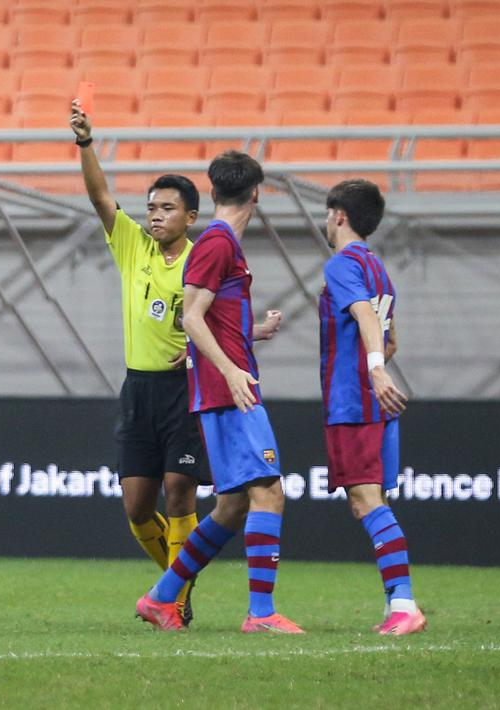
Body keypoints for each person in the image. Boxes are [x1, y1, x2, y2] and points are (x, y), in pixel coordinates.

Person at [134, 150, 296, 634]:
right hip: (231, 391)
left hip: (224, 385)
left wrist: (252, 334)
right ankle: (261, 615)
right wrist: (229, 370)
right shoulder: (219, 243)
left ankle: (161, 599)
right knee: (269, 493)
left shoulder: (221, 244)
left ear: (213, 193)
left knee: (233, 505)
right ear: (256, 195)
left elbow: (210, 320)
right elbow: (191, 316)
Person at [69, 99, 209, 624]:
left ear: (190, 217)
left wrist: (202, 348)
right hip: (138, 390)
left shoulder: (204, 258)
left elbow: (224, 322)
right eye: (151, 207)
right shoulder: (133, 247)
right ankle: (178, 582)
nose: (155, 215)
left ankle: (170, 600)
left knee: (178, 492)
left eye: (167, 208)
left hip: (185, 392)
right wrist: (86, 143)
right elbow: (100, 195)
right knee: (135, 507)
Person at [318, 178, 424, 635]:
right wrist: (378, 363)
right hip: (372, 404)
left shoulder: (342, 264)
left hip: (354, 400)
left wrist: (374, 372)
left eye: (328, 214)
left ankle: (404, 605)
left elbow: (364, 317)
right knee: (367, 503)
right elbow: (391, 335)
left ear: (339, 215)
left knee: (367, 501)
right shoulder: (377, 267)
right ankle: (397, 605)